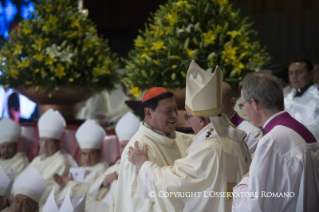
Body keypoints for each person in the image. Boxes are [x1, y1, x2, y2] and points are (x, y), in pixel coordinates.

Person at [127, 61, 251, 212]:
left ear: (201, 120)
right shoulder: (235, 138)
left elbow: (173, 185)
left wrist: (143, 165)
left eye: (188, 117)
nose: (187, 122)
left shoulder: (208, 149)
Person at [232, 73, 319, 212]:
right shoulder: (302, 130)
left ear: (254, 103)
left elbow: (257, 206)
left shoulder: (272, 141)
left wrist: (245, 180)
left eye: (243, 106)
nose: (245, 113)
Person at [114, 87, 189, 212]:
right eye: (168, 111)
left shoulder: (180, 139)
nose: (174, 115)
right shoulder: (137, 151)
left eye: (175, 110)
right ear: (148, 113)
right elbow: (138, 205)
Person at [88, 111, 141, 212]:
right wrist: (104, 183)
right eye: (122, 146)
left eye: (129, 145)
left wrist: (122, 179)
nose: (125, 150)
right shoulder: (114, 168)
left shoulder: (141, 167)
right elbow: (90, 192)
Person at [23, 109, 71, 207]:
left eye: (48, 142)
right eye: (41, 141)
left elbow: (50, 189)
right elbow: (21, 179)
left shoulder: (61, 162)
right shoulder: (37, 159)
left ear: (58, 144)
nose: (43, 146)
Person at [54, 119, 107, 208]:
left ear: (99, 154)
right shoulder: (79, 169)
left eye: (92, 153)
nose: (87, 158)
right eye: (84, 153)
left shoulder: (102, 170)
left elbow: (90, 191)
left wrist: (69, 184)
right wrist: (63, 186)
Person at [222, 82, 263, 155]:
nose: (214, 109)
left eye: (220, 104)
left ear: (232, 102)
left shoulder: (252, 134)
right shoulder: (207, 129)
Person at [284, 59, 319, 126]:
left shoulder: (317, 96)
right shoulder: (287, 97)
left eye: (299, 72)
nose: (294, 77)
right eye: (291, 73)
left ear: (311, 74)